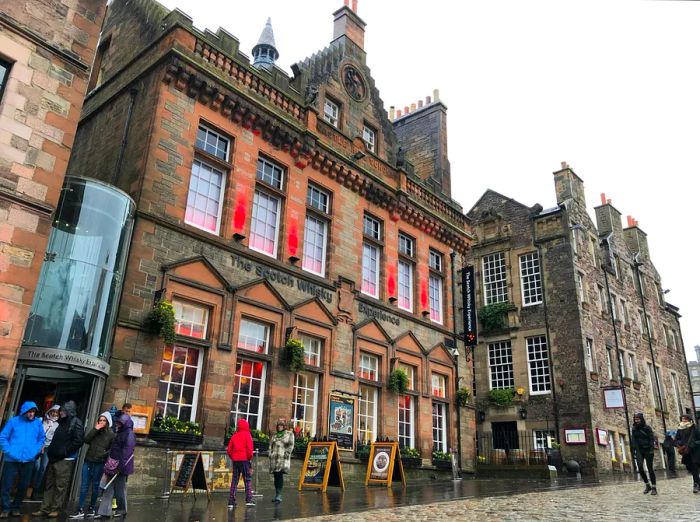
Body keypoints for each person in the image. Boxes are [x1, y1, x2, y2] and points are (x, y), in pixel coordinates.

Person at [32, 401, 84, 518]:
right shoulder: (61, 423)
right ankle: (45, 508)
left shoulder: (76, 423)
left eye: (63, 410)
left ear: (69, 411)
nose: (61, 413)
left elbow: (78, 441)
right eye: (61, 410)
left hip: (65, 459)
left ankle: (56, 508)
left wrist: (65, 451)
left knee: (60, 486)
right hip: (54, 457)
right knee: (49, 484)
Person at [0, 401, 45, 518]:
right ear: (24, 411)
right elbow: (3, 436)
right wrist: (8, 450)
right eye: (30, 411)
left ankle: (16, 507)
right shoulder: (14, 421)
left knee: (24, 485)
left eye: (34, 411)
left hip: (29, 460)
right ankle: (5, 508)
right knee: (6, 484)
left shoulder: (38, 424)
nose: (32, 414)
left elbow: (41, 438)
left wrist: (34, 451)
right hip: (11, 459)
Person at [70, 412, 115, 518]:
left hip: (99, 462)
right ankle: (80, 509)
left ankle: (91, 508)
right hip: (88, 460)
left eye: (104, 420)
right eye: (100, 420)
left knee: (95, 486)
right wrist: (95, 429)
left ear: (108, 422)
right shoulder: (95, 431)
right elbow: (86, 440)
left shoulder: (111, 434)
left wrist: (104, 454)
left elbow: (111, 449)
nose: (102, 422)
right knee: (84, 485)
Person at [95, 414, 135, 519]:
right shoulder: (121, 433)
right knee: (109, 489)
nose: (117, 424)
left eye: (119, 423)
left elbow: (126, 453)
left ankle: (121, 510)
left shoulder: (128, 434)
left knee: (119, 489)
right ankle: (104, 511)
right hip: (113, 463)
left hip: (119, 466)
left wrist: (120, 467)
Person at [29, 404, 60, 499]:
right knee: (36, 466)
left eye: (56, 412)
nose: (54, 414)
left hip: (48, 447)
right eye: (53, 411)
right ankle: (29, 485)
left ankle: (35, 489)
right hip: (38, 446)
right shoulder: (41, 420)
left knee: (43, 468)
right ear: (49, 411)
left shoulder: (57, 425)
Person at [226, 418, 255, 508]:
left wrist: (233, 457)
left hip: (235, 460)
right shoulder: (247, 435)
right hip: (245, 460)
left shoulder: (234, 436)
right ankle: (249, 499)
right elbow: (250, 450)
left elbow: (229, 450)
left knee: (235, 480)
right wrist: (249, 458)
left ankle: (231, 501)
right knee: (247, 479)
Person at [268, 418, 294, 503]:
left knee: (279, 475)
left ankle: (279, 495)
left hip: (282, 458)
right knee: (276, 476)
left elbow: (291, 445)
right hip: (274, 459)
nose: (280, 427)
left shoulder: (289, 434)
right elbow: (270, 446)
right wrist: (270, 454)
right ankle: (276, 494)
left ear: (284, 426)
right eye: (279, 425)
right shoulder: (274, 435)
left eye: (281, 425)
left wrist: (287, 453)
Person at [631, 412, 657, 495]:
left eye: (638, 419)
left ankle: (654, 487)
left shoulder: (647, 428)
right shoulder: (634, 429)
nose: (637, 421)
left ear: (641, 419)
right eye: (635, 419)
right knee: (640, 468)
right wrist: (633, 450)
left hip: (648, 449)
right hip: (639, 450)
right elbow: (633, 440)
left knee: (650, 469)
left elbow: (651, 439)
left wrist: (652, 449)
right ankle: (647, 484)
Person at [674, 413, 700, 493]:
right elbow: (676, 440)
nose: (683, 420)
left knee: (695, 466)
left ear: (689, 420)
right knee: (690, 468)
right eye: (682, 419)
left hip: (695, 451)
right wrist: (679, 444)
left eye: (685, 419)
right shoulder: (680, 429)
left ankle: (696, 484)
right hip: (686, 452)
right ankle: (698, 482)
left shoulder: (694, 428)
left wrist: (693, 444)